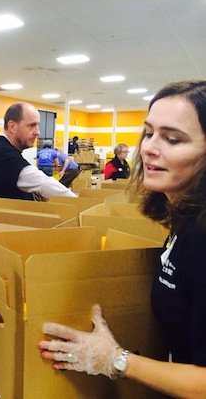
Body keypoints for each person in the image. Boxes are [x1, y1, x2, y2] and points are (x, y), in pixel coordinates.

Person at [38, 80, 206, 398]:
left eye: (172, 138)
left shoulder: (202, 237)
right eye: (149, 132)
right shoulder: (184, 222)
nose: (149, 148)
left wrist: (116, 360)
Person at [0, 102, 76, 206]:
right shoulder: (3, 155)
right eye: (31, 125)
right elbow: (43, 184)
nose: (38, 132)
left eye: (37, 125)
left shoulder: (0, 148)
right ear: (12, 126)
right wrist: (82, 204)